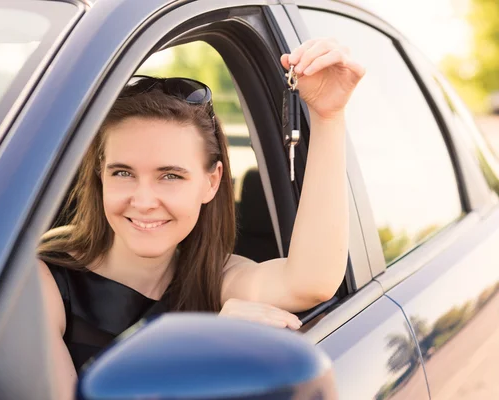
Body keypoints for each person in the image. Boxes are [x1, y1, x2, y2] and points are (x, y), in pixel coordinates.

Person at [38, 38, 365, 398]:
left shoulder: (215, 276)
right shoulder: (44, 281)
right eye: (123, 173)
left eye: (171, 176)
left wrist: (328, 117)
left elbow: (311, 281)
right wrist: (203, 349)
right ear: (100, 174)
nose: (144, 201)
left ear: (211, 182)